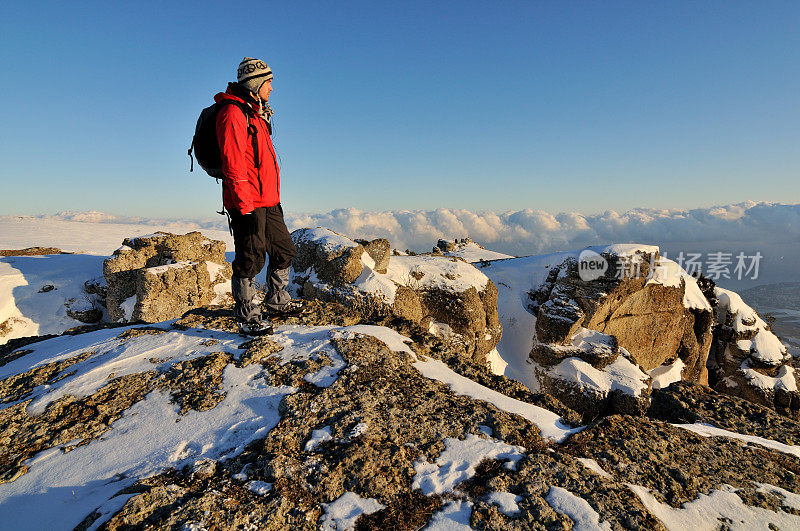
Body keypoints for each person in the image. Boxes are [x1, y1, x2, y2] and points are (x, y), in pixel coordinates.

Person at [215, 57, 306, 335]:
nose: (272, 88)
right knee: (250, 257)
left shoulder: (256, 113)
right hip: (248, 202)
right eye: (269, 82)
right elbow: (233, 165)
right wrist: (243, 206)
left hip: (268, 199)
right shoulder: (233, 114)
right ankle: (247, 316)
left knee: (284, 250)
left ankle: (277, 301)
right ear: (255, 84)